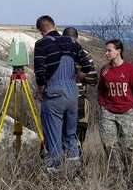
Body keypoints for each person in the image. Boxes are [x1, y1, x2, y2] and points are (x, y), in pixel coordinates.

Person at [33, 16, 93, 172]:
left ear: (41, 31)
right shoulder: (71, 42)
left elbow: (40, 71)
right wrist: (76, 78)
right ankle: (75, 170)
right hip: (73, 95)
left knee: (53, 138)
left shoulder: (41, 44)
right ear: (55, 26)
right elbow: (87, 66)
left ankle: (55, 172)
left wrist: (40, 90)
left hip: (54, 94)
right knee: (70, 135)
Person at [97, 39, 133, 179]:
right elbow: (100, 90)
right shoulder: (104, 70)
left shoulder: (130, 69)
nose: (106, 53)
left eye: (109, 50)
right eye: (106, 50)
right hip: (108, 112)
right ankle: (115, 175)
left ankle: (128, 173)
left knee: (128, 145)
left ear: (118, 51)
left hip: (127, 112)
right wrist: (102, 104)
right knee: (108, 144)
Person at [61, 27, 98, 156]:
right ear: (77, 38)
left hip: (60, 97)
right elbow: (93, 80)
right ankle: (76, 162)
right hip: (79, 97)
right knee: (78, 135)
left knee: (60, 132)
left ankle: (60, 163)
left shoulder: (57, 53)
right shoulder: (84, 53)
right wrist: (80, 75)